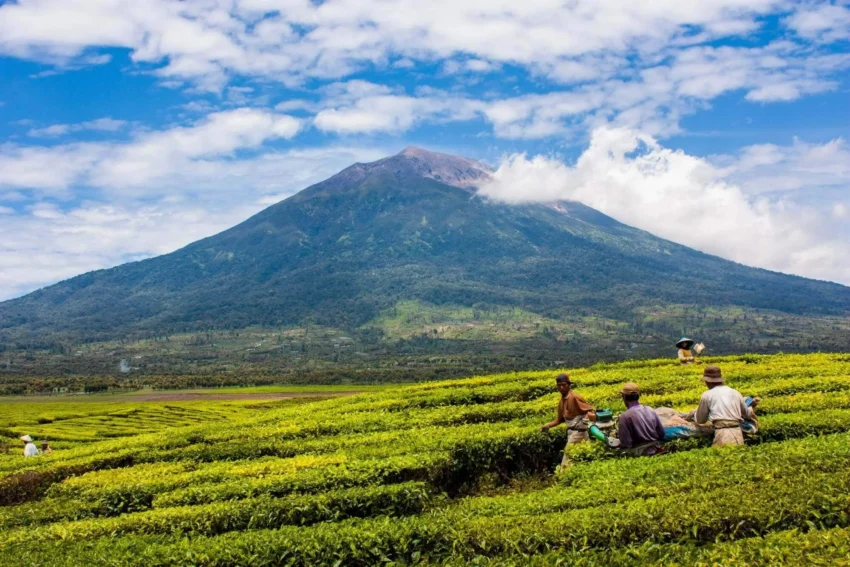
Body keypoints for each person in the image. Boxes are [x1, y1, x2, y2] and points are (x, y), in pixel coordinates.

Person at [541, 373, 597, 467]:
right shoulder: (561, 401)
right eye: (559, 385)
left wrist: (586, 419)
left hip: (578, 433)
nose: (562, 387)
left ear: (569, 385)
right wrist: (548, 425)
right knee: (584, 459)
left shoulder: (574, 397)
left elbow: (591, 409)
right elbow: (559, 420)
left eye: (564, 385)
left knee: (566, 462)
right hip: (572, 433)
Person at [694, 366, 756, 447]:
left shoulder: (707, 395)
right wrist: (751, 406)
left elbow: (700, 420)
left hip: (722, 433)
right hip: (737, 432)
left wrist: (694, 413)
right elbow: (746, 414)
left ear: (708, 382)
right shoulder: (735, 393)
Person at [616, 382, 666, 456]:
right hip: (656, 448)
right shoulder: (650, 409)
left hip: (640, 453)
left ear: (624, 397)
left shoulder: (624, 416)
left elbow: (626, 443)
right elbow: (661, 434)